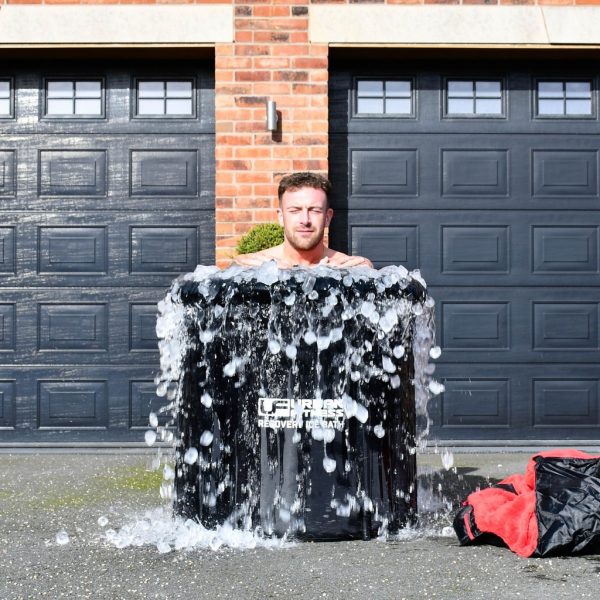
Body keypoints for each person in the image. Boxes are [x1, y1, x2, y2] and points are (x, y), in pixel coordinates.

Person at [233, 172, 373, 269]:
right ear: (281, 217)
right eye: (295, 210)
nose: (305, 220)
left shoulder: (346, 268)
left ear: (328, 217)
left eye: (315, 210)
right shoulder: (257, 265)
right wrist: (236, 267)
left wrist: (368, 272)